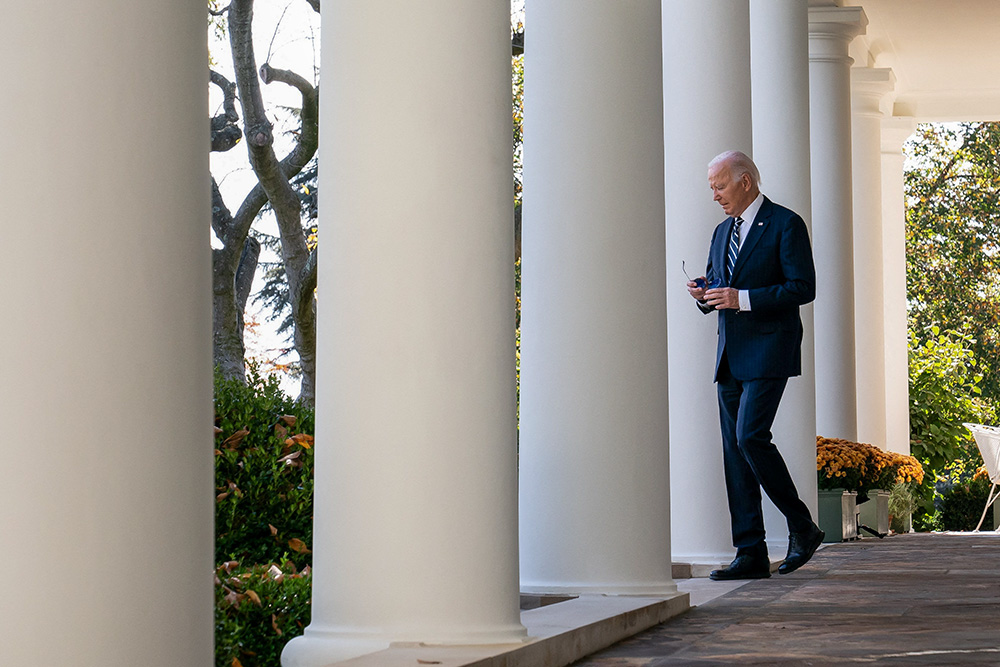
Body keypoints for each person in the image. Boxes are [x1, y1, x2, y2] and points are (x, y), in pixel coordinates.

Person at [687, 150, 824, 581]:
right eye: (712, 187)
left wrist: (741, 299)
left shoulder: (786, 223)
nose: (715, 195)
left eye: (720, 186)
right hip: (730, 352)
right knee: (734, 451)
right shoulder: (720, 231)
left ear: (745, 181)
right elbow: (720, 287)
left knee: (751, 437)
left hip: (770, 348)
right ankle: (749, 551)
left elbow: (803, 287)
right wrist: (705, 295)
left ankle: (802, 526)